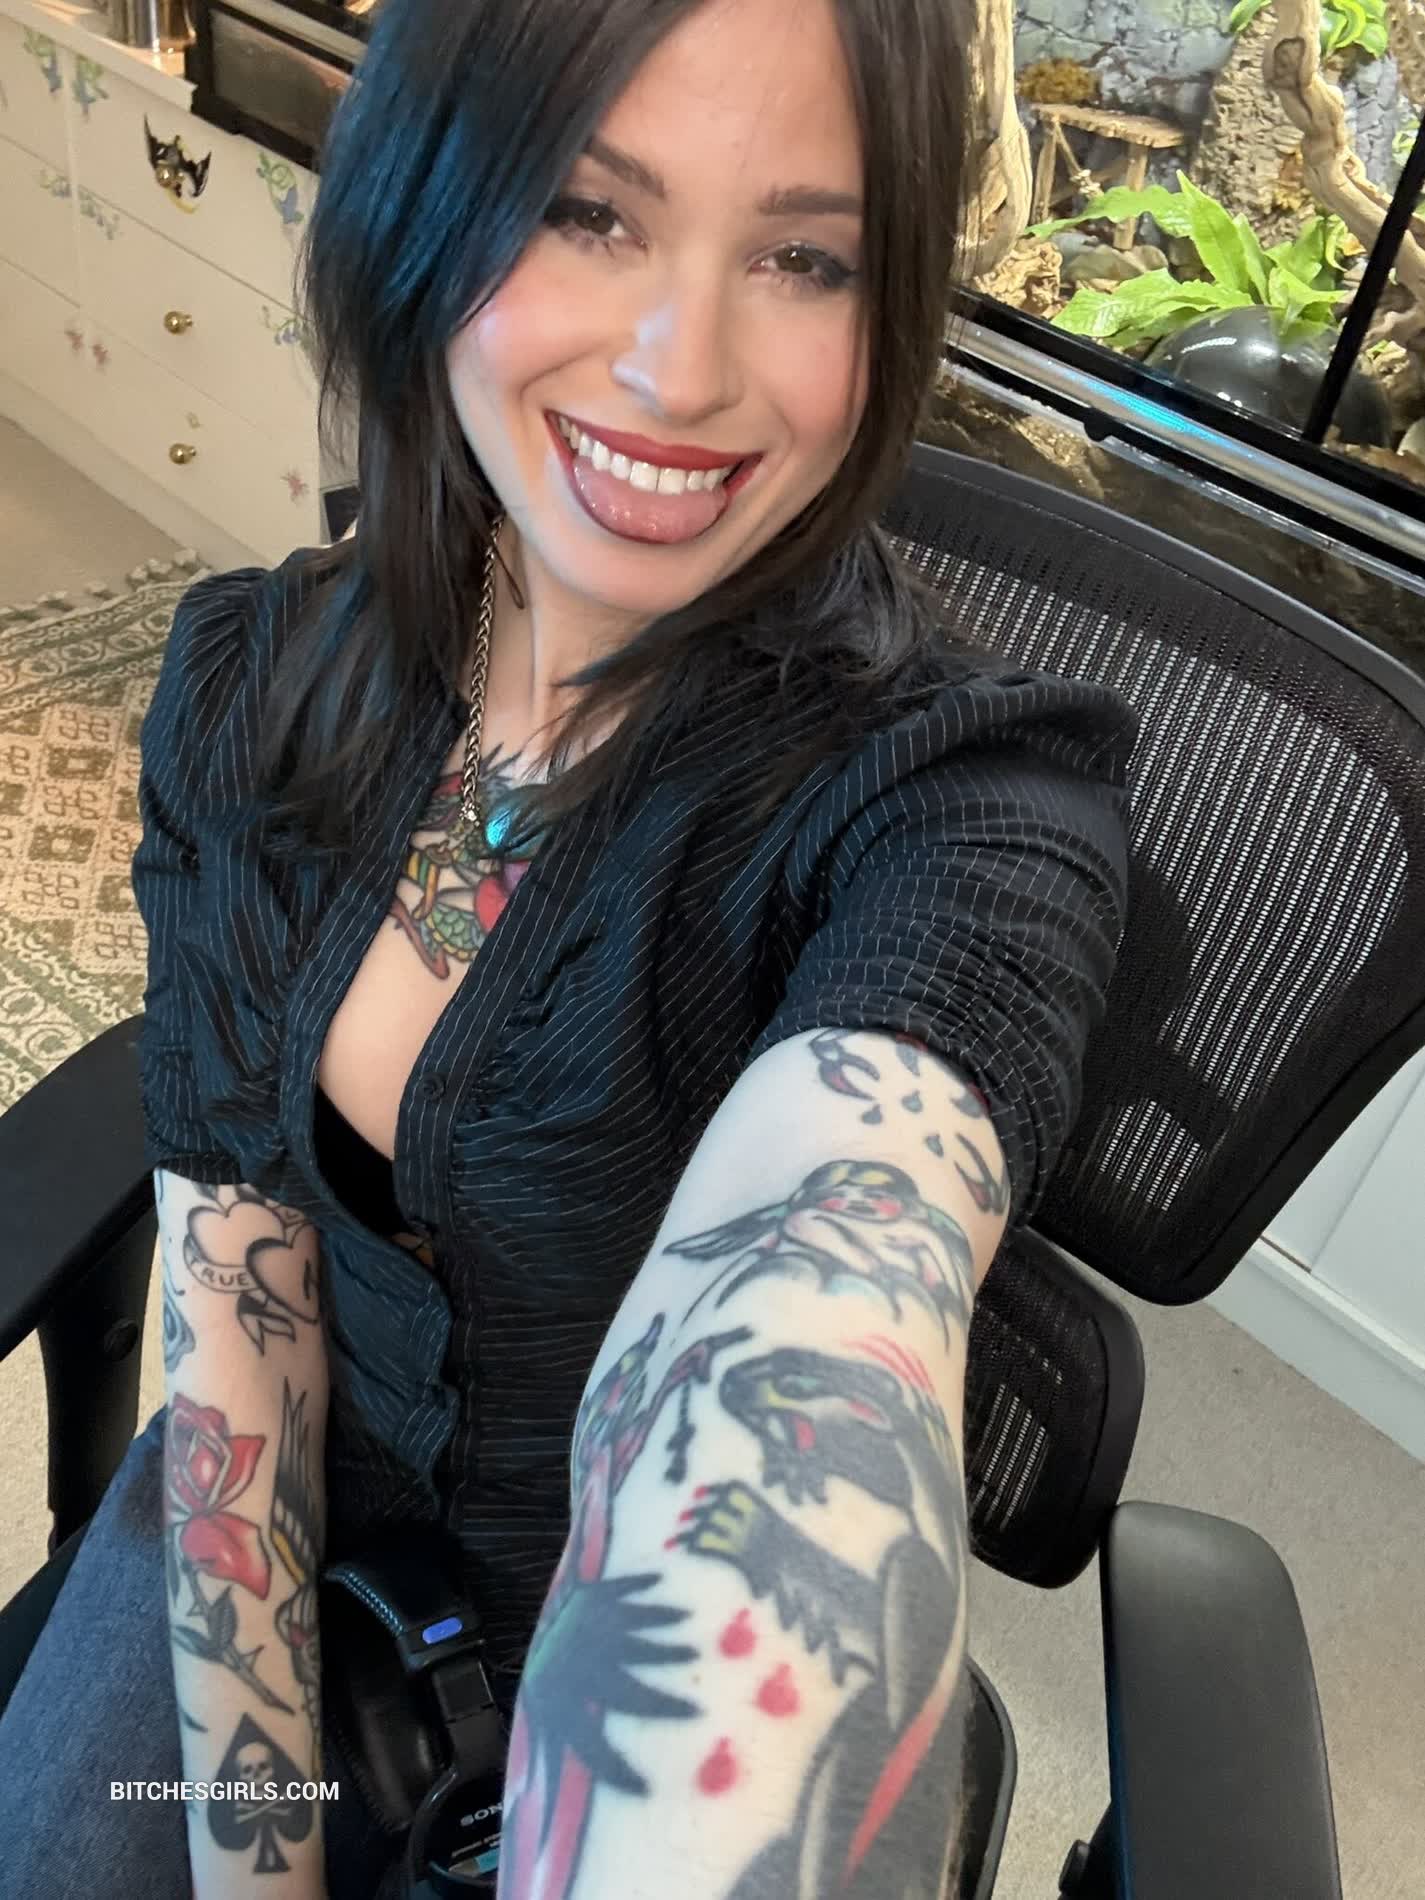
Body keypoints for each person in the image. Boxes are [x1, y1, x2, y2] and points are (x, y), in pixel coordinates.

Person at [0, 0, 1138, 1894]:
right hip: (278, 1528)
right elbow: (239, 1330)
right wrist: (259, 1859)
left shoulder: (962, 804)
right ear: (420, 208)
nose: (681, 370)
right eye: (585, 212)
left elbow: (828, 1295)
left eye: (805, 257)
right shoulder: (251, 683)